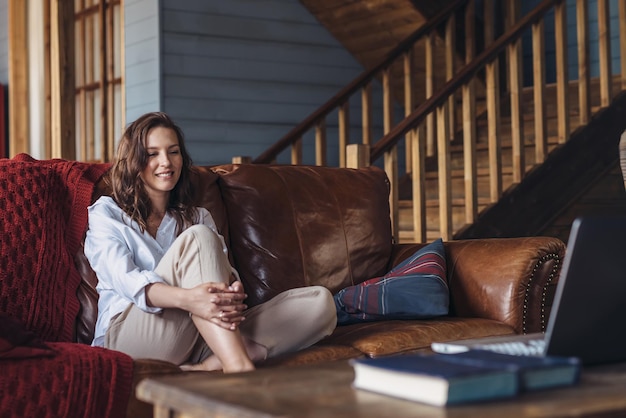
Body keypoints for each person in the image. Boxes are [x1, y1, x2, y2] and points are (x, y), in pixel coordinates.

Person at [84, 111, 337, 373]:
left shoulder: (197, 216)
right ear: (133, 161)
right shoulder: (107, 213)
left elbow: (222, 275)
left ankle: (206, 366)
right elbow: (126, 280)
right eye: (152, 153)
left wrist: (231, 291)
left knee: (320, 303)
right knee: (198, 237)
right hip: (133, 335)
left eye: (173, 151)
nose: (166, 162)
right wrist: (189, 299)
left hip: (201, 334)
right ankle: (239, 367)